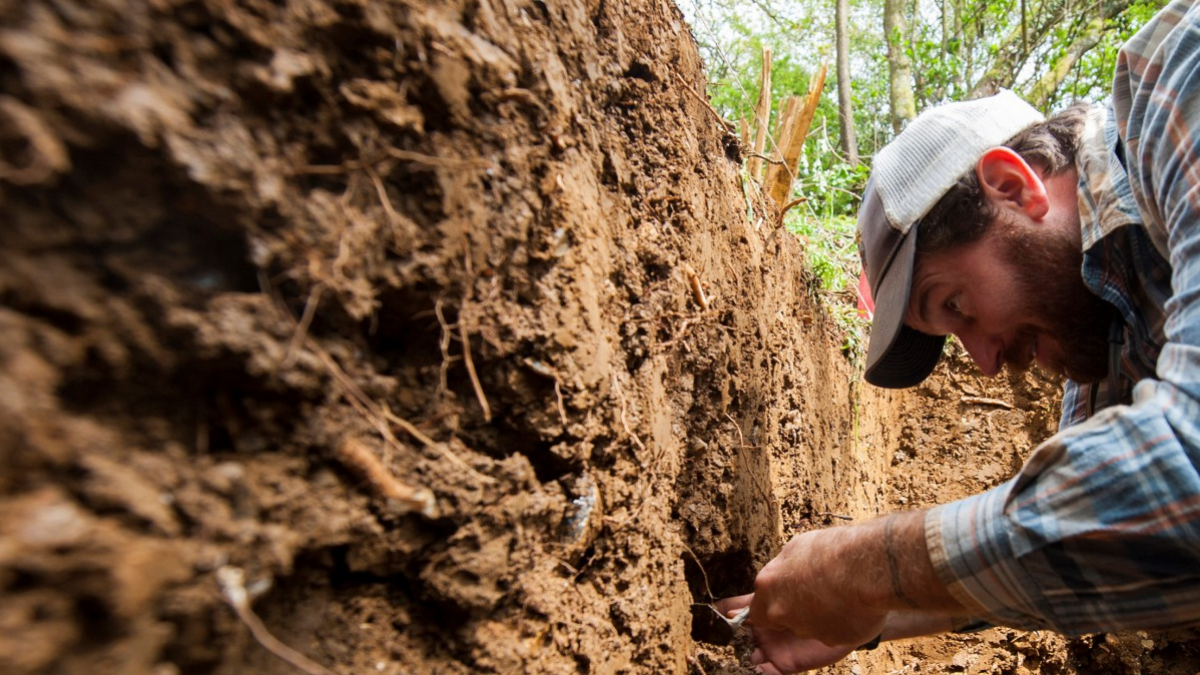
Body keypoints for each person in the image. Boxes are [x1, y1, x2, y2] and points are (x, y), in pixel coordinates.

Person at [716, 1, 1200, 673]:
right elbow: (1084, 549)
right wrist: (869, 619)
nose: (984, 361)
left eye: (955, 304)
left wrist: (871, 564)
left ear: (1011, 186)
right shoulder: (1112, 349)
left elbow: (1186, 474)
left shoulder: (1180, 79)